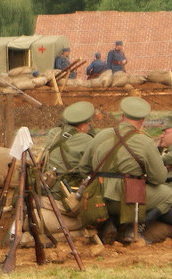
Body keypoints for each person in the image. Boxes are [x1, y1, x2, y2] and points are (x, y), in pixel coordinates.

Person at [74, 96, 172, 242]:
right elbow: (158, 178)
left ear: (122, 116)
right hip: (129, 199)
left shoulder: (101, 135)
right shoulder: (145, 142)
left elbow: (84, 168)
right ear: (142, 121)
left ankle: (108, 223)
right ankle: (136, 227)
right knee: (168, 193)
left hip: (99, 197)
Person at [41, 101, 96, 185]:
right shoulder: (87, 139)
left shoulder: (54, 132)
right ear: (82, 126)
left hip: (46, 184)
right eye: (89, 125)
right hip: (66, 189)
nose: (89, 128)